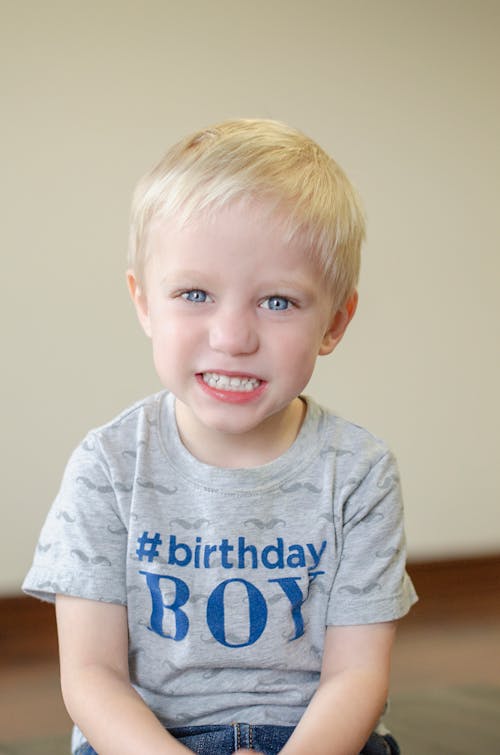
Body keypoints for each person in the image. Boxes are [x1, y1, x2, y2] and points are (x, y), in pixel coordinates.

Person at [23, 118, 417, 755]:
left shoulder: (359, 472)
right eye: (195, 293)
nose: (233, 336)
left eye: (279, 302)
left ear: (335, 321)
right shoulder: (108, 464)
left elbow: (357, 675)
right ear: (145, 302)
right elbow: (92, 676)